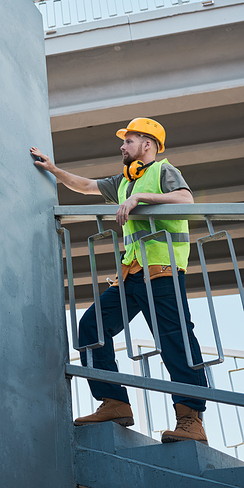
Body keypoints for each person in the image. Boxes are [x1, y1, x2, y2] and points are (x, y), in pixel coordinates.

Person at [30, 117, 208, 444]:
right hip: (131, 273)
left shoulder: (162, 172)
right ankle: (114, 402)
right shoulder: (126, 181)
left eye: (128, 141)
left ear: (148, 144)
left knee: (175, 340)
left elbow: (186, 201)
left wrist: (142, 200)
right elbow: (85, 186)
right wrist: (54, 170)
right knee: (91, 327)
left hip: (163, 271)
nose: (122, 146)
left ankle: (191, 419)